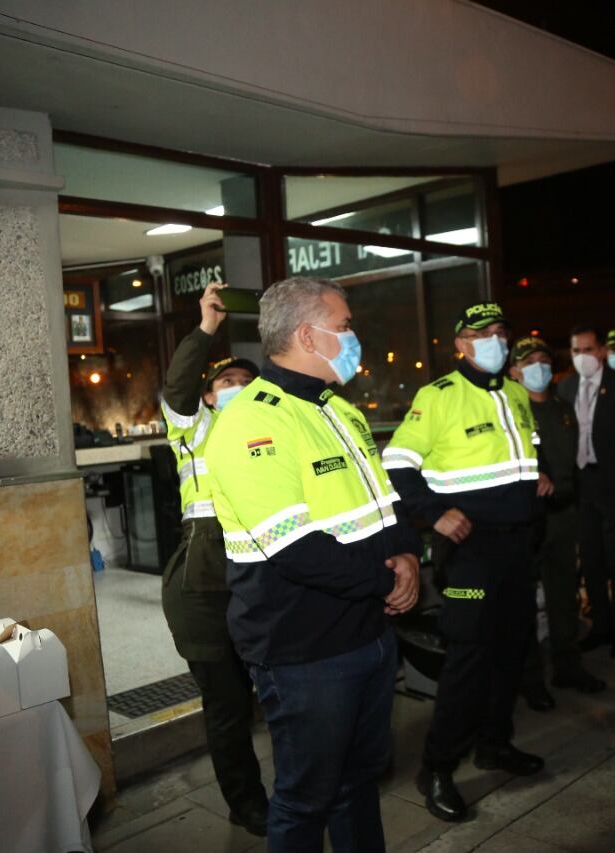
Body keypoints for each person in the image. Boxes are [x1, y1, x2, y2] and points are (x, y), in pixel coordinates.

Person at [205, 276, 422, 852]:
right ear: (307, 334)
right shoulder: (253, 420)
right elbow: (295, 549)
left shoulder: (338, 411)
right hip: (304, 648)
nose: (354, 337)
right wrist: (385, 580)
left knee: (358, 783)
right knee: (306, 800)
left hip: (368, 630)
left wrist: (407, 556)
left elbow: (385, 502)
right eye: (345, 326)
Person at [381, 301, 546, 823]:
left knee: (511, 650)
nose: (494, 339)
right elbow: (396, 465)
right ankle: (437, 767)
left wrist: (537, 482)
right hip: (471, 553)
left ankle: (494, 744)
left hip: (518, 547)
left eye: (501, 330)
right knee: (469, 658)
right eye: (482, 333)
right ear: (461, 345)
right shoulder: (439, 397)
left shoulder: (518, 393)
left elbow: (523, 455)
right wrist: (435, 513)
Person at [159, 281, 267, 837]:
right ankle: (247, 802)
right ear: (206, 396)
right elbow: (178, 383)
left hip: (264, 573)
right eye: (226, 382)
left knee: (281, 691)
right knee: (227, 705)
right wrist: (207, 329)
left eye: (247, 381)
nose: (238, 388)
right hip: (203, 580)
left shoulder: (270, 429)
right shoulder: (192, 427)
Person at [511, 336, 607, 710]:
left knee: (564, 596)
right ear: (516, 370)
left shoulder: (562, 408)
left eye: (544, 360)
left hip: (565, 515)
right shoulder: (512, 409)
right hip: (529, 518)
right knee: (524, 603)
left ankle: (568, 666)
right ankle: (530, 679)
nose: (540, 366)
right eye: (530, 361)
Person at [559, 325, 615, 658]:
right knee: (592, 563)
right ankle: (600, 626)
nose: (583, 356)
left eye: (588, 349)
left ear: (600, 351)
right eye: (576, 351)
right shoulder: (565, 388)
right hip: (582, 486)